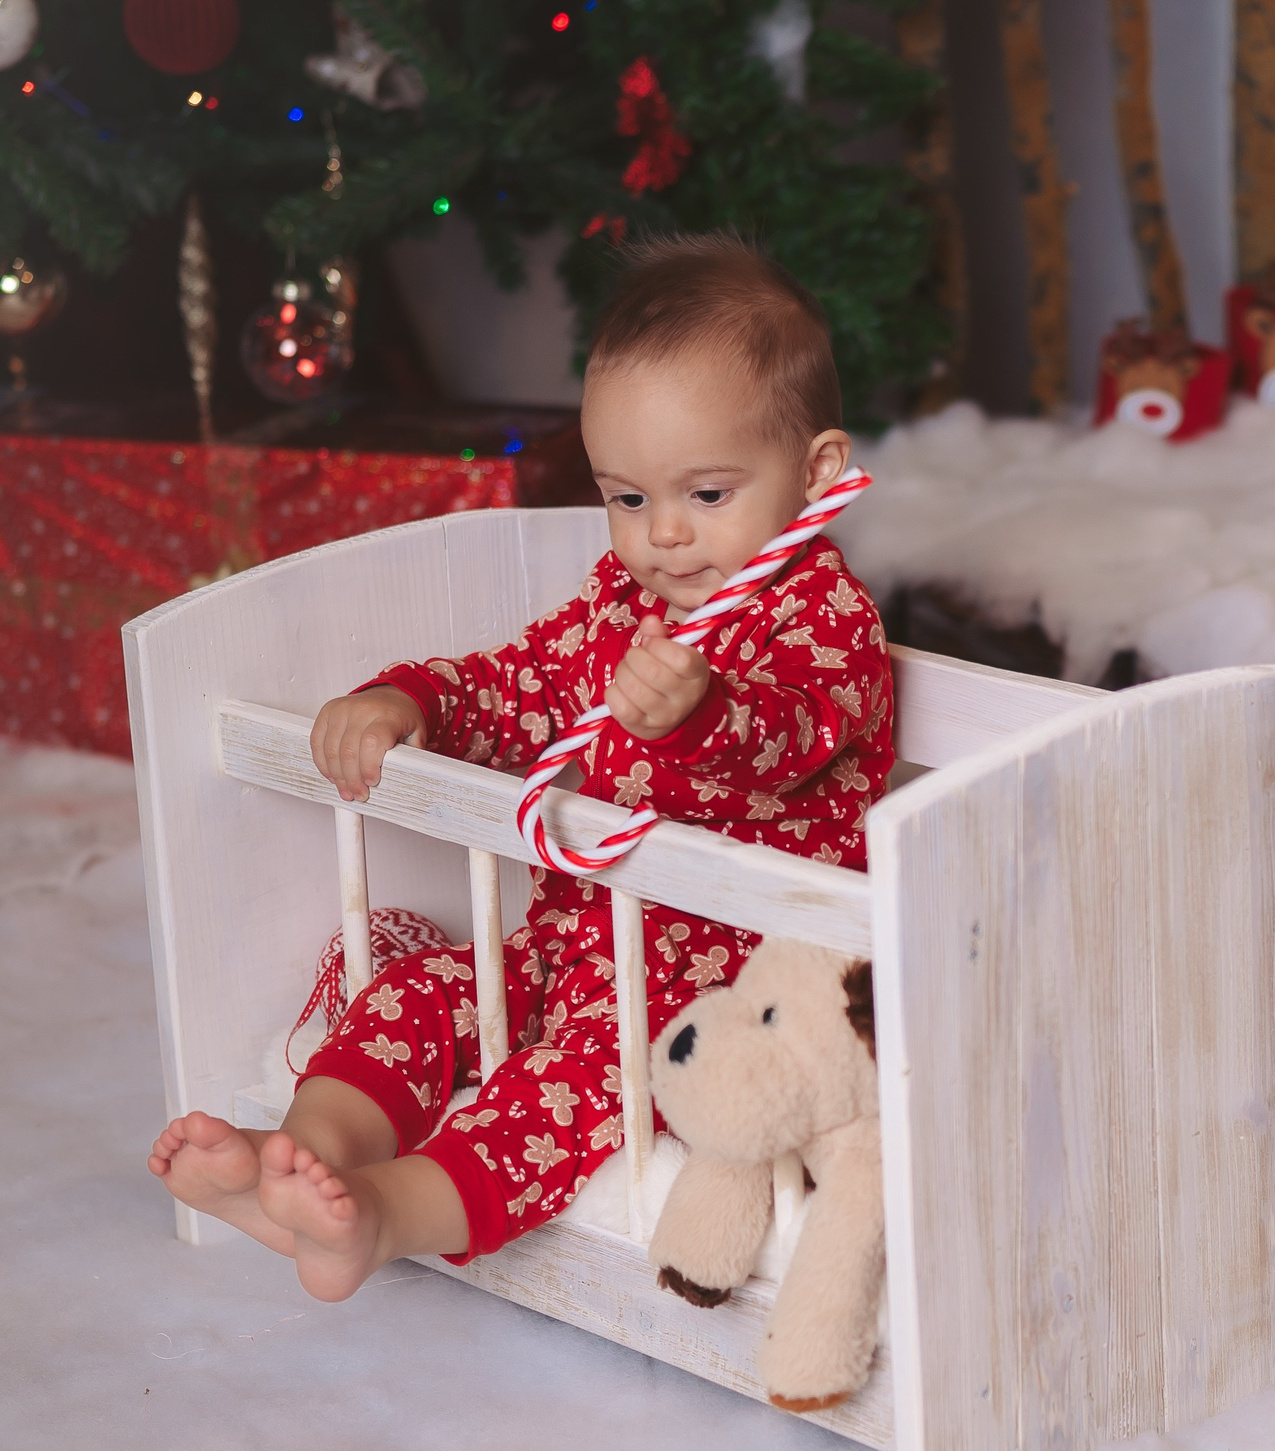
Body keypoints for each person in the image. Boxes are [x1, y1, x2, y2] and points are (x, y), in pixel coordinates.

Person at [146, 233, 896, 1303]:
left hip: (712, 981)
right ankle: (301, 1153)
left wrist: (700, 713)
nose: (665, 536)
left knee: (567, 1088)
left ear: (817, 471)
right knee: (419, 993)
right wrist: (413, 701)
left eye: (707, 494)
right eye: (628, 498)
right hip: (573, 935)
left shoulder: (824, 620)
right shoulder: (623, 603)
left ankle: (379, 1220)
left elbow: (790, 739)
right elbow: (520, 685)